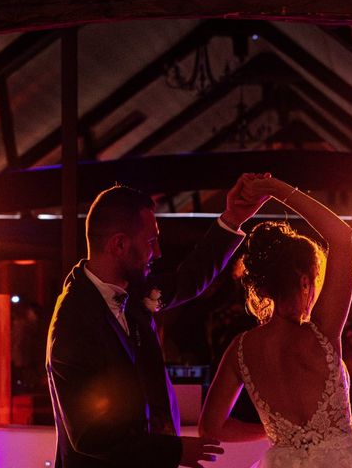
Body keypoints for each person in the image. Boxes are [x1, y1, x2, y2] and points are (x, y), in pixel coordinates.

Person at [46, 174, 266, 468]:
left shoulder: (134, 292)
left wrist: (233, 218)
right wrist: (175, 452)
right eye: (151, 241)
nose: (158, 252)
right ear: (119, 245)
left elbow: (190, 278)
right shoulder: (73, 322)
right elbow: (90, 435)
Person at [198, 175, 352, 467]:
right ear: (305, 280)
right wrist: (277, 190)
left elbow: (210, 429)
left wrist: (275, 432)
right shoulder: (321, 332)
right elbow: (340, 235)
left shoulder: (240, 350)